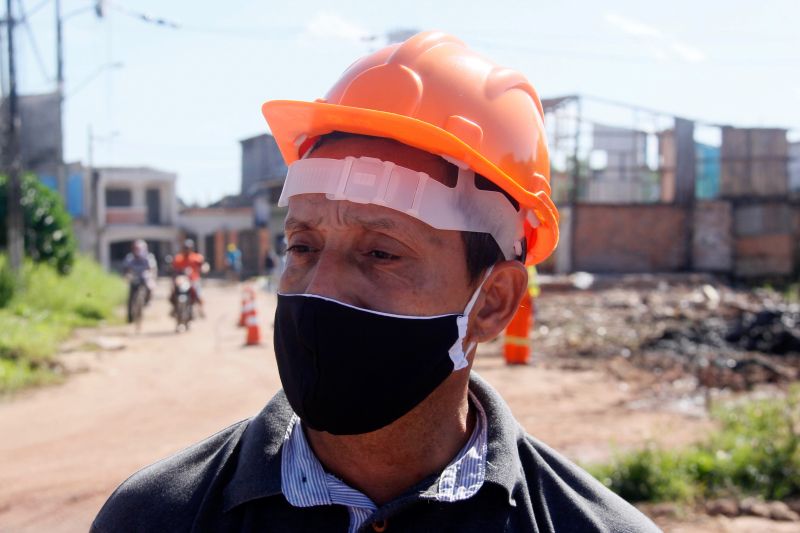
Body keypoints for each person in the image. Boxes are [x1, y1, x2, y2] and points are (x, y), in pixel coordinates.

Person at [93, 32, 659, 532]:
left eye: (382, 252)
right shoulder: (154, 516)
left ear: (492, 302)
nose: (321, 288)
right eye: (303, 246)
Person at [503, 264, 540, 365]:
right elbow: (532, 284)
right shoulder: (530, 264)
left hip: (514, 298)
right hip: (525, 299)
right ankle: (521, 357)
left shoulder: (513, 262)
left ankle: (511, 357)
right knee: (521, 329)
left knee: (512, 328)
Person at [122, 239, 157, 323]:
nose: (137, 250)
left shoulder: (148, 257)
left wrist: (151, 276)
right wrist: (127, 275)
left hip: (144, 277)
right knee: (130, 296)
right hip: (134, 277)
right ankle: (130, 317)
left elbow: (152, 269)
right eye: (135, 248)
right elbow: (126, 268)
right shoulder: (130, 258)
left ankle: (147, 300)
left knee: (150, 287)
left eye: (139, 248)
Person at [170, 239, 207, 318]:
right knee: (173, 292)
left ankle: (201, 309)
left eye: (188, 248)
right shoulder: (178, 258)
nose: (187, 250)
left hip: (193, 279)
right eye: (186, 248)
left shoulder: (197, 257)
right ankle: (174, 308)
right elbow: (173, 268)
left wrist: (204, 268)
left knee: (198, 294)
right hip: (182, 280)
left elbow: (203, 265)